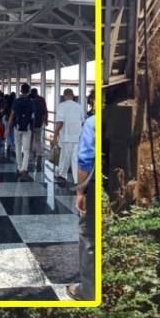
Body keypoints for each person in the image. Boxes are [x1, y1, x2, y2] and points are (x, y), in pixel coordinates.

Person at [67, 91, 96, 302]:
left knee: (87, 236)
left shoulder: (92, 123)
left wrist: (80, 191)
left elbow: (85, 161)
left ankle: (87, 290)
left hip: (93, 186)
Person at [53, 88, 85, 185]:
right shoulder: (79, 106)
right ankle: (77, 180)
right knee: (75, 158)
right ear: (72, 95)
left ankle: (62, 175)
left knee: (65, 157)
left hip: (66, 136)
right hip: (77, 136)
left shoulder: (61, 106)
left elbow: (60, 122)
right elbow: (82, 121)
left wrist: (55, 135)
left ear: (64, 95)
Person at [10, 83, 38, 180]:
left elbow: (12, 115)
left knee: (17, 147)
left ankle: (19, 166)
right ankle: (24, 168)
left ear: (21, 90)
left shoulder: (16, 101)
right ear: (28, 91)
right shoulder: (31, 102)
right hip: (27, 128)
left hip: (17, 127)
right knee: (26, 149)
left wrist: (8, 128)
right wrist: (33, 129)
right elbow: (33, 117)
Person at [30, 87, 48, 170]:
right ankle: (39, 153)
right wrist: (45, 120)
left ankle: (32, 153)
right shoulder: (41, 99)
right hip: (39, 122)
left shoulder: (29, 99)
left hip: (30, 123)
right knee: (38, 139)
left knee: (30, 138)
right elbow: (45, 110)